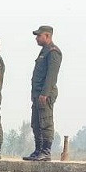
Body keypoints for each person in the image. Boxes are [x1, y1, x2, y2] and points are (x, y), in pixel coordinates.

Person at [24, 25, 62, 162]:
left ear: (47, 36)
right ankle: (38, 149)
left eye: (39, 35)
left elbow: (52, 75)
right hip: (37, 94)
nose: (36, 38)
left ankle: (46, 151)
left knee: (46, 122)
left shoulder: (53, 52)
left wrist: (45, 93)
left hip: (45, 94)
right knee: (36, 123)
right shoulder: (43, 52)